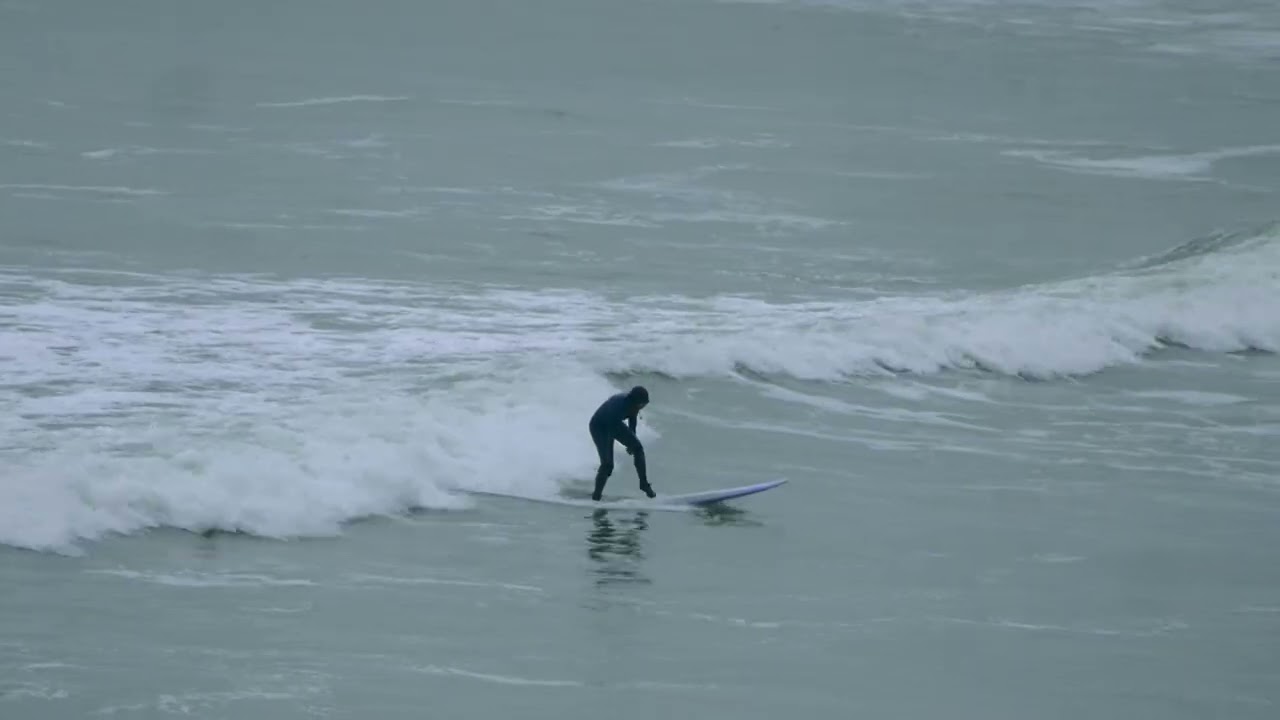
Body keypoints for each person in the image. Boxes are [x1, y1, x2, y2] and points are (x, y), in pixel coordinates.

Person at [588, 385, 654, 501]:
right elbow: (613, 428)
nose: (642, 407)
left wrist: (632, 441)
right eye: (642, 404)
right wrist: (629, 443)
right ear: (636, 401)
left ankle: (643, 484)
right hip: (599, 426)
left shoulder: (633, 405)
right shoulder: (620, 406)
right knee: (607, 465)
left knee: (638, 449)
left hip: (612, 424)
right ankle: (596, 496)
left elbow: (632, 422)